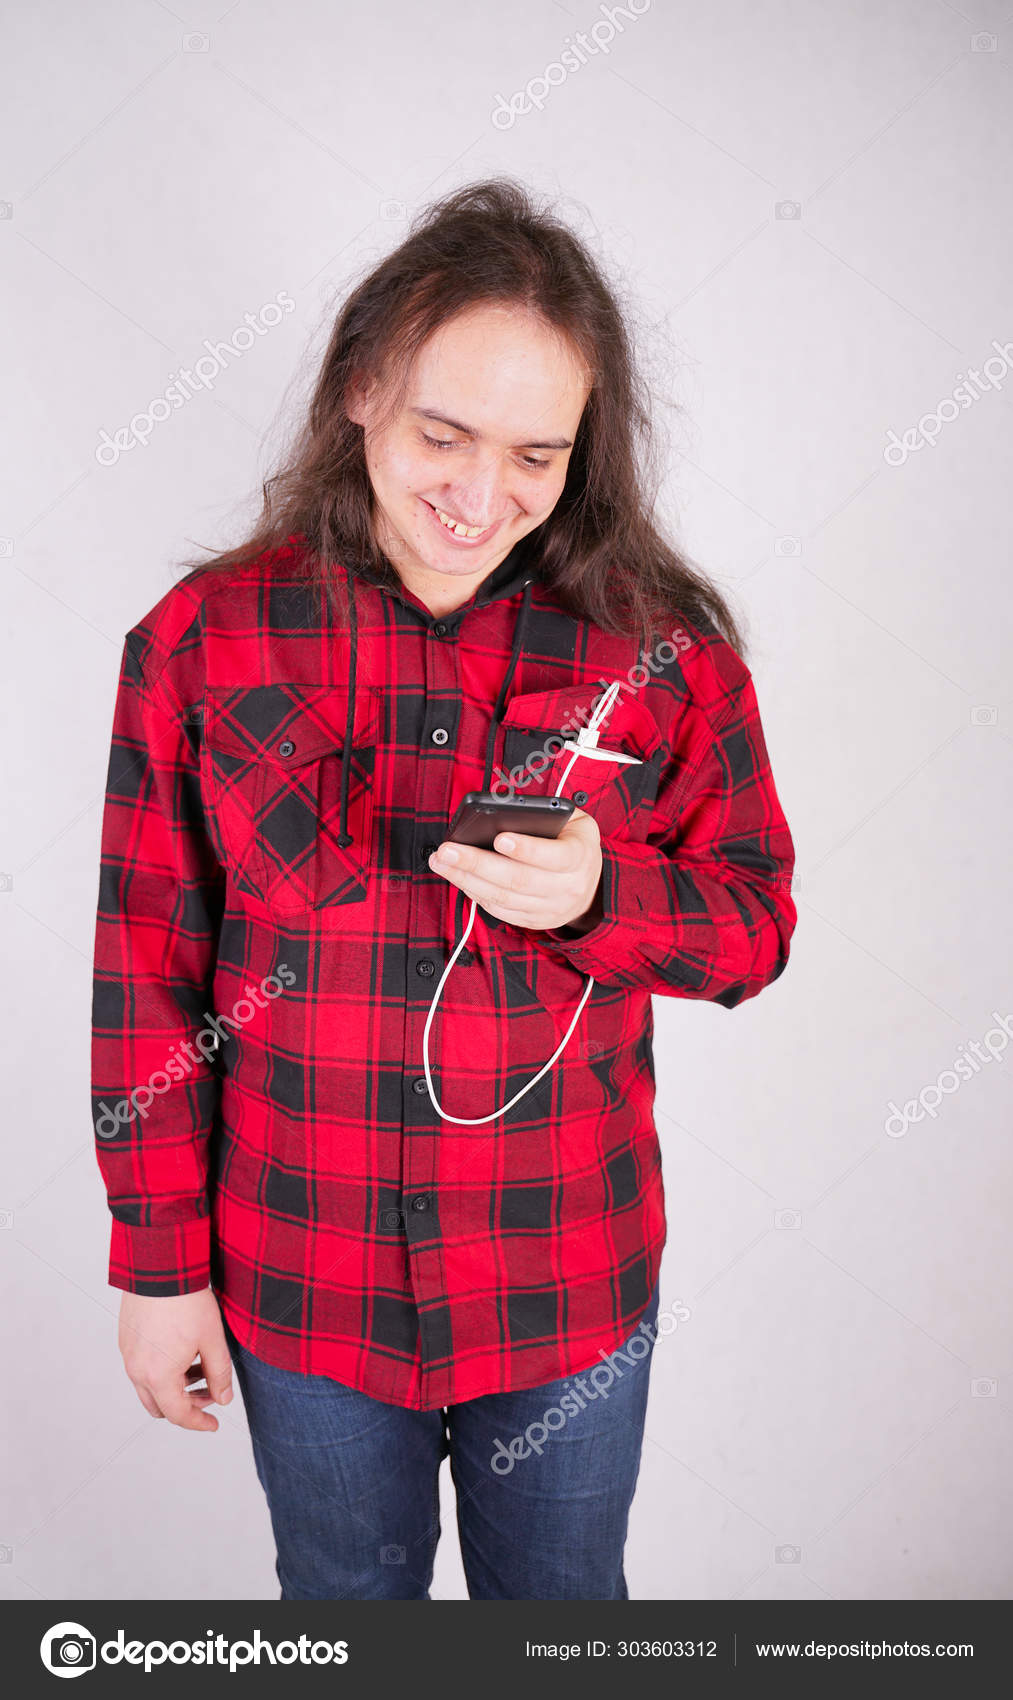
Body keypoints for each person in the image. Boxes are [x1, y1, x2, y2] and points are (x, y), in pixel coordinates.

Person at [90, 177, 797, 1600]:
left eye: (537, 454)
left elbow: (753, 931)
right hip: (305, 1285)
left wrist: (607, 897)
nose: (481, 500)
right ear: (361, 388)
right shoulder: (203, 642)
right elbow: (143, 971)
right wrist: (156, 1262)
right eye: (441, 435)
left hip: (567, 1288)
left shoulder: (663, 654)